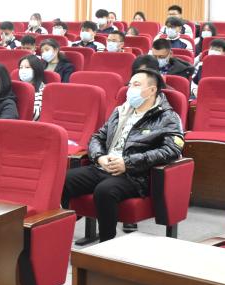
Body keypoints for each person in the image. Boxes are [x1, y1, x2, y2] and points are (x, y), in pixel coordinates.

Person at [60, 69, 184, 242]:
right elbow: (97, 137)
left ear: (152, 90)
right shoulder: (121, 110)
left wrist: (128, 162)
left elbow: (171, 150)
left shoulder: (167, 117)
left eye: (136, 85)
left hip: (135, 174)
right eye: (129, 84)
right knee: (63, 180)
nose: (130, 89)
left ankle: (106, 243)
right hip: (104, 165)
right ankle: (61, 232)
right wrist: (99, 157)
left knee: (104, 191)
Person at [17, 55, 47, 120]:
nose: (23, 70)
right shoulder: (16, 87)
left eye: (27, 67)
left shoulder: (44, 90)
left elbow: (36, 114)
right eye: (21, 67)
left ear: (36, 69)